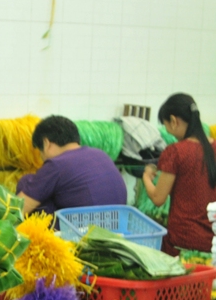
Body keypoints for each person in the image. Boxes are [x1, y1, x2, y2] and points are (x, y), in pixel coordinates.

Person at [142, 93, 216, 255]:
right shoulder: (214, 147)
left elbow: (158, 198)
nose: (169, 131)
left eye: (166, 125)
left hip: (183, 240)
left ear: (174, 121)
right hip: (212, 241)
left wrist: (147, 177)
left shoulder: (176, 152)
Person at [16, 115, 128, 217]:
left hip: (83, 230)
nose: (41, 158)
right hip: (118, 223)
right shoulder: (100, 154)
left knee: (27, 182)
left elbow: (18, 210)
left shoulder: (56, 164)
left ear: (46, 143)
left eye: (40, 152)